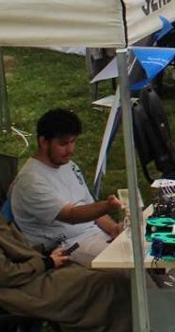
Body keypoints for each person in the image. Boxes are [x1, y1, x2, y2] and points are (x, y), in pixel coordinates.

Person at [0, 154, 132, 332]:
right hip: (20, 289)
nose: (12, 187)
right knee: (104, 283)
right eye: (8, 182)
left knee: (104, 276)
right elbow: (3, 274)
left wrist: (47, 257)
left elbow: (15, 250)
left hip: (30, 275)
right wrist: (45, 263)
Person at [10, 109, 122, 267]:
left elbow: (88, 205)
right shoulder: (31, 181)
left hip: (94, 236)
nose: (70, 150)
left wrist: (113, 228)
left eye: (73, 142)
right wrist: (107, 205)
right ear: (44, 142)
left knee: (151, 255)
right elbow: (71, 215)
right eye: (63, 144)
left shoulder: (68, 165)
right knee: (131, 266)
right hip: (67, 247)